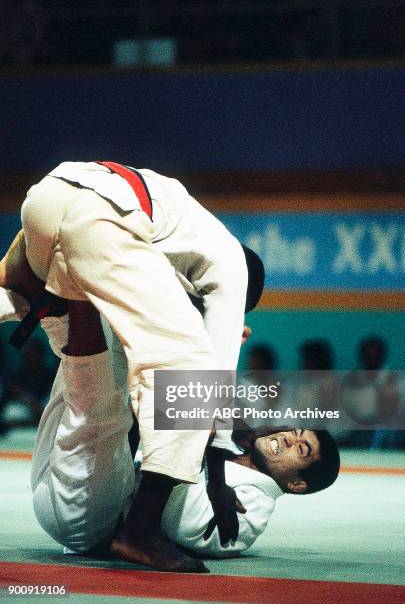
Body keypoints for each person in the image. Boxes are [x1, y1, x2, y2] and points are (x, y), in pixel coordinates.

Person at [0, 161, 263, 571]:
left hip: (47, 197)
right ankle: (140, 531)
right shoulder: (231, 267)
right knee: (190, 372)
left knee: (39, 304)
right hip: (98, 218)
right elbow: (214, 378)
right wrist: (218, 469)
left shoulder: (175, 239)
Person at [26, 298, 340, 559]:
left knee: (96, 380)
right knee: (103, 338)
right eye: (294, 432)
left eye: (301, 449)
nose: (287, 438)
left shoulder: (252, 513)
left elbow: (179, 522)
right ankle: (36, 287)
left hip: (86, 519)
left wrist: (203, 360)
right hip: (61, 475)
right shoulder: (234, 440)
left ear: (298, 484)